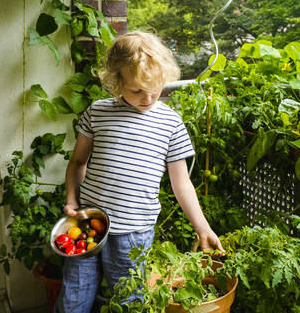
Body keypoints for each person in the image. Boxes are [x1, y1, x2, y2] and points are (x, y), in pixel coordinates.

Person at [54, 31, 224, 313]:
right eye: (137, 90)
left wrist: (202, 228)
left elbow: (181, 183)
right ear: (116, 81)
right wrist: (72, 199)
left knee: (129, 301)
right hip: (87, 221)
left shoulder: (170, 123)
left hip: (133, 233)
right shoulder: (98, 113)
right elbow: (77, 163)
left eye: (155, 88)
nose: (148, 98)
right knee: (74, 298)